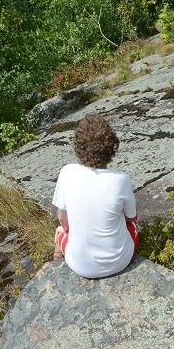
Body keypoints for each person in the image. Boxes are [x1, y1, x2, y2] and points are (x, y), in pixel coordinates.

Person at [52, 115, 139, 278]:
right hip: (119, 261)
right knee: (134, 222)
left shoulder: (67, 172)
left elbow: (62, 218)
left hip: (79, 265)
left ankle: (58, 253)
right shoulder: (122, 180)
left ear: (78, 147)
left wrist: (67, 231)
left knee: (60, 231)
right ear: (111, 148)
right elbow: (131, 219)